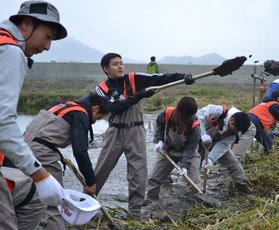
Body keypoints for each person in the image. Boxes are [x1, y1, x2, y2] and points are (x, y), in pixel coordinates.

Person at [94, 53, 195, 217]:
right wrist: (140, 95)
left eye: (121, 63)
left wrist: (184, 78)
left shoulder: (134, 79)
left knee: (138, 171)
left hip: (136, 130)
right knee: (102, 168)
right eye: (115, 64)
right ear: (106, 69)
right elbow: (115, 108)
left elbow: (160, 79)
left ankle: (135, 210)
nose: (120, 66)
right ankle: (87, 201)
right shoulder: (102, 88)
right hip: (115, 131)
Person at [0, 1, 68, 229]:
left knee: (31, 196)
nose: (47, 47)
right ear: (27, 25)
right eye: (47, 36)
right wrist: (39, 174)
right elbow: (3, 123)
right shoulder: (9, 52)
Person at [22, 93, 110, 229]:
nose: (95, 122)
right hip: (42, 153)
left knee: (27, 195)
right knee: (55, 201)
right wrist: (91, 182)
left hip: (22, 149)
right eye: (98, 118)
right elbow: (80, 151)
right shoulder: (80, 114)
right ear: (96, 108)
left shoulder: (62, 105)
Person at [147, 97, 201, 200]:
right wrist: (159, 140)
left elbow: (190, 149)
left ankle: (193, 203)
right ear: (178, 110)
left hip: (189, 153)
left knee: (194, 182)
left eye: (189, 116)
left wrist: (184, 166)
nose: (186, 119)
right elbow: (160, 126)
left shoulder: (195, 127)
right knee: (154, 179)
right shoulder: (167, 113)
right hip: (169, 150)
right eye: (184, 116)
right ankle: (151, 202)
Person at [199, 106, 253, 194]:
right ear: (232, 120)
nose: (235, 131)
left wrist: (211, 159)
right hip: (200, 139)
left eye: (237, 131)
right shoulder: (218, 111)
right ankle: (196, 188)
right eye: (235, 129)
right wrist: (202, 134)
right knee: (196, 164)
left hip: (217, 142)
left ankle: (241, 185)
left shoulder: (236, 132)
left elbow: (222, 145)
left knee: (234, 162)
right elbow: (199, 115)